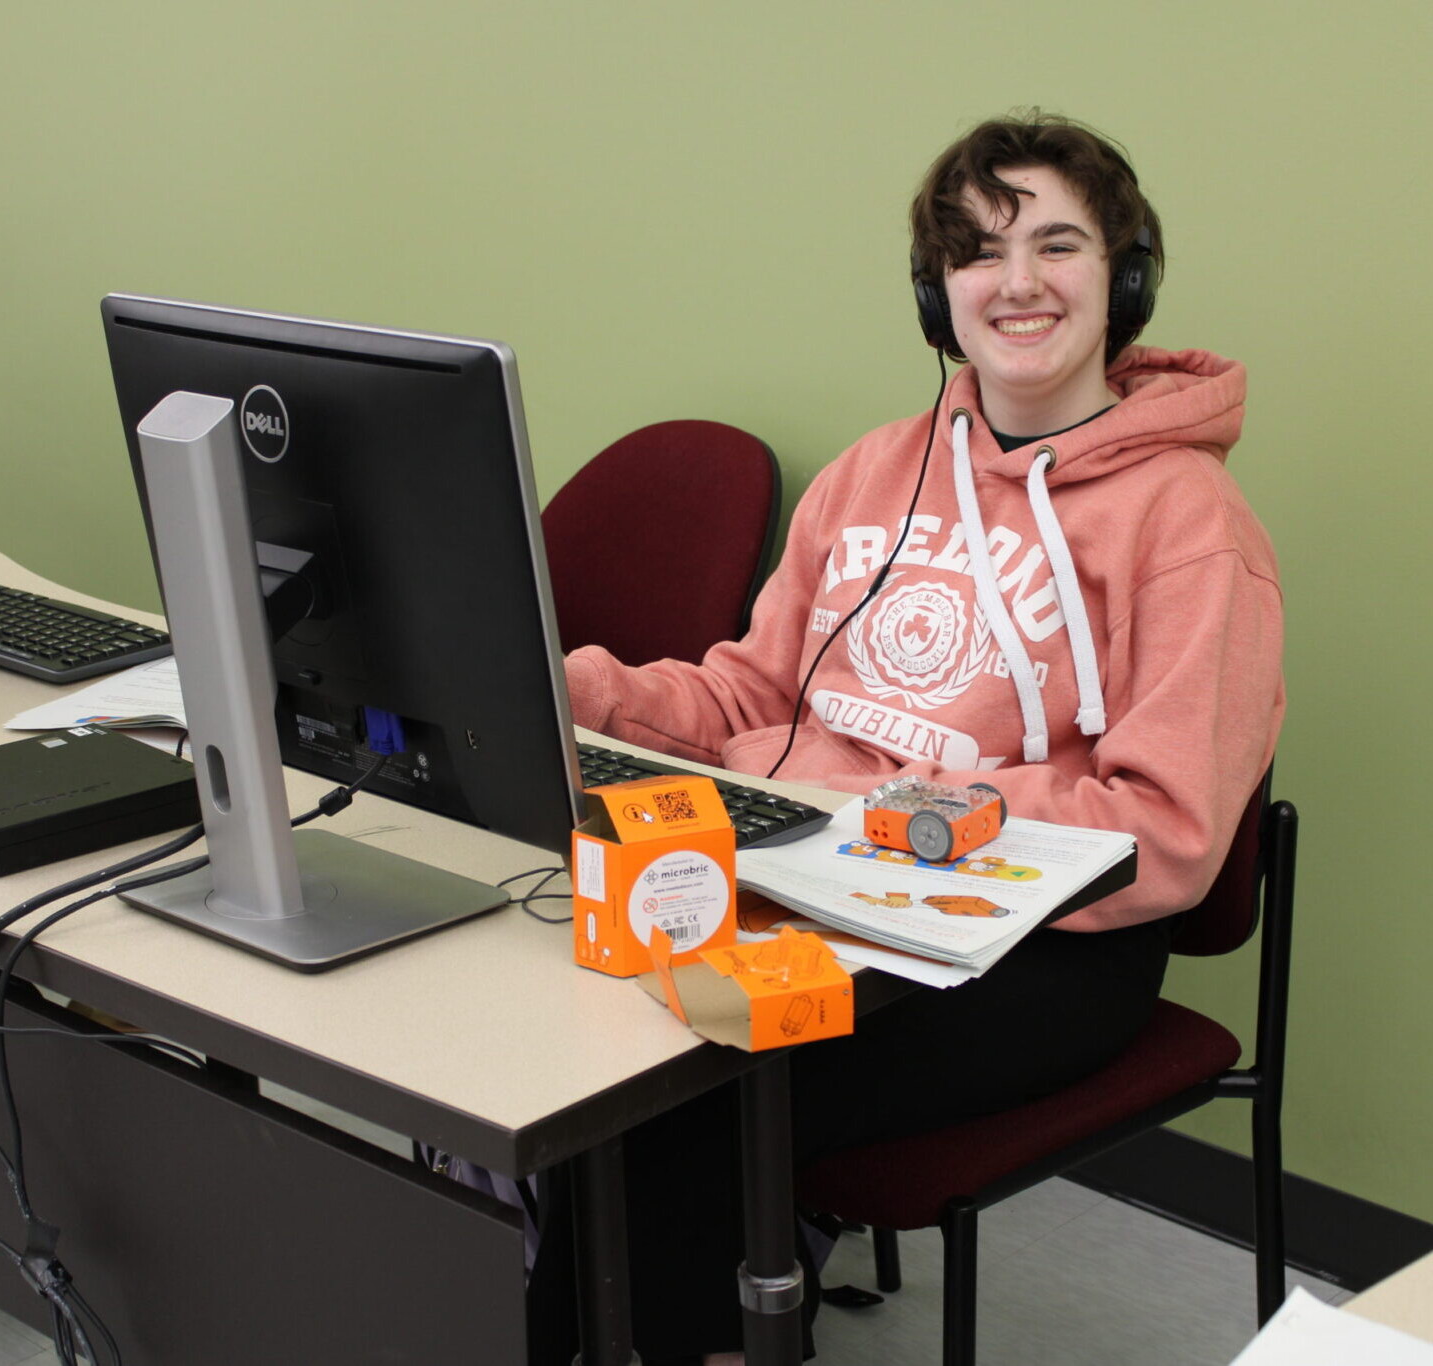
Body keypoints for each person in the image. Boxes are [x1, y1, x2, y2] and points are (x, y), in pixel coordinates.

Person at [553, 110, 1284, 1365]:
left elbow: (1166, 832)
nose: (1017, 283)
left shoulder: (1190, 522)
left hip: (1043, 938)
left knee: (684, 1106)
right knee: (579, 1054)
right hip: (817, 883)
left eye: (1057, 244)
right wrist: (584, 694)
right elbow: (751, 700)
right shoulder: (871, 473)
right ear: (936, 294)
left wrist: (925, 805)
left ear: (1126, 275)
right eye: (977, 251)